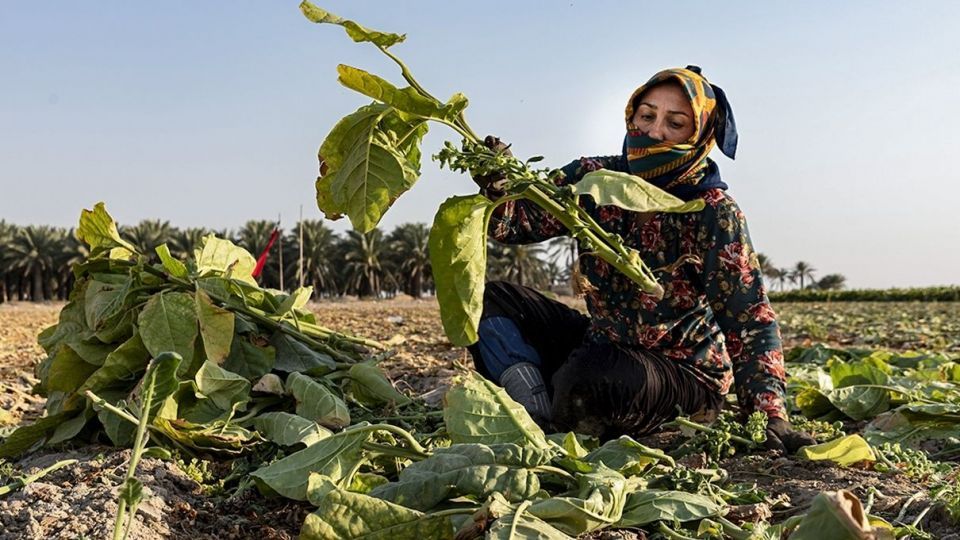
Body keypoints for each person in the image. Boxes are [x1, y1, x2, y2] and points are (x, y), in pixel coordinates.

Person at [469, 66, 815, 453]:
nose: (655, 131)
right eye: (647, 115)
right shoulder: (593, 180)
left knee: (596, 379)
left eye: (676, 122)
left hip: (680, 373)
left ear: (700, 134)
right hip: (601, 341)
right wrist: (501, 185)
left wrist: (769, 415)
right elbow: (516, 226)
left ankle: (560, 400)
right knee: (489, 300)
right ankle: (535, 407)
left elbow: (748, 318)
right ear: (631, 116)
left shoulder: (712, 212)